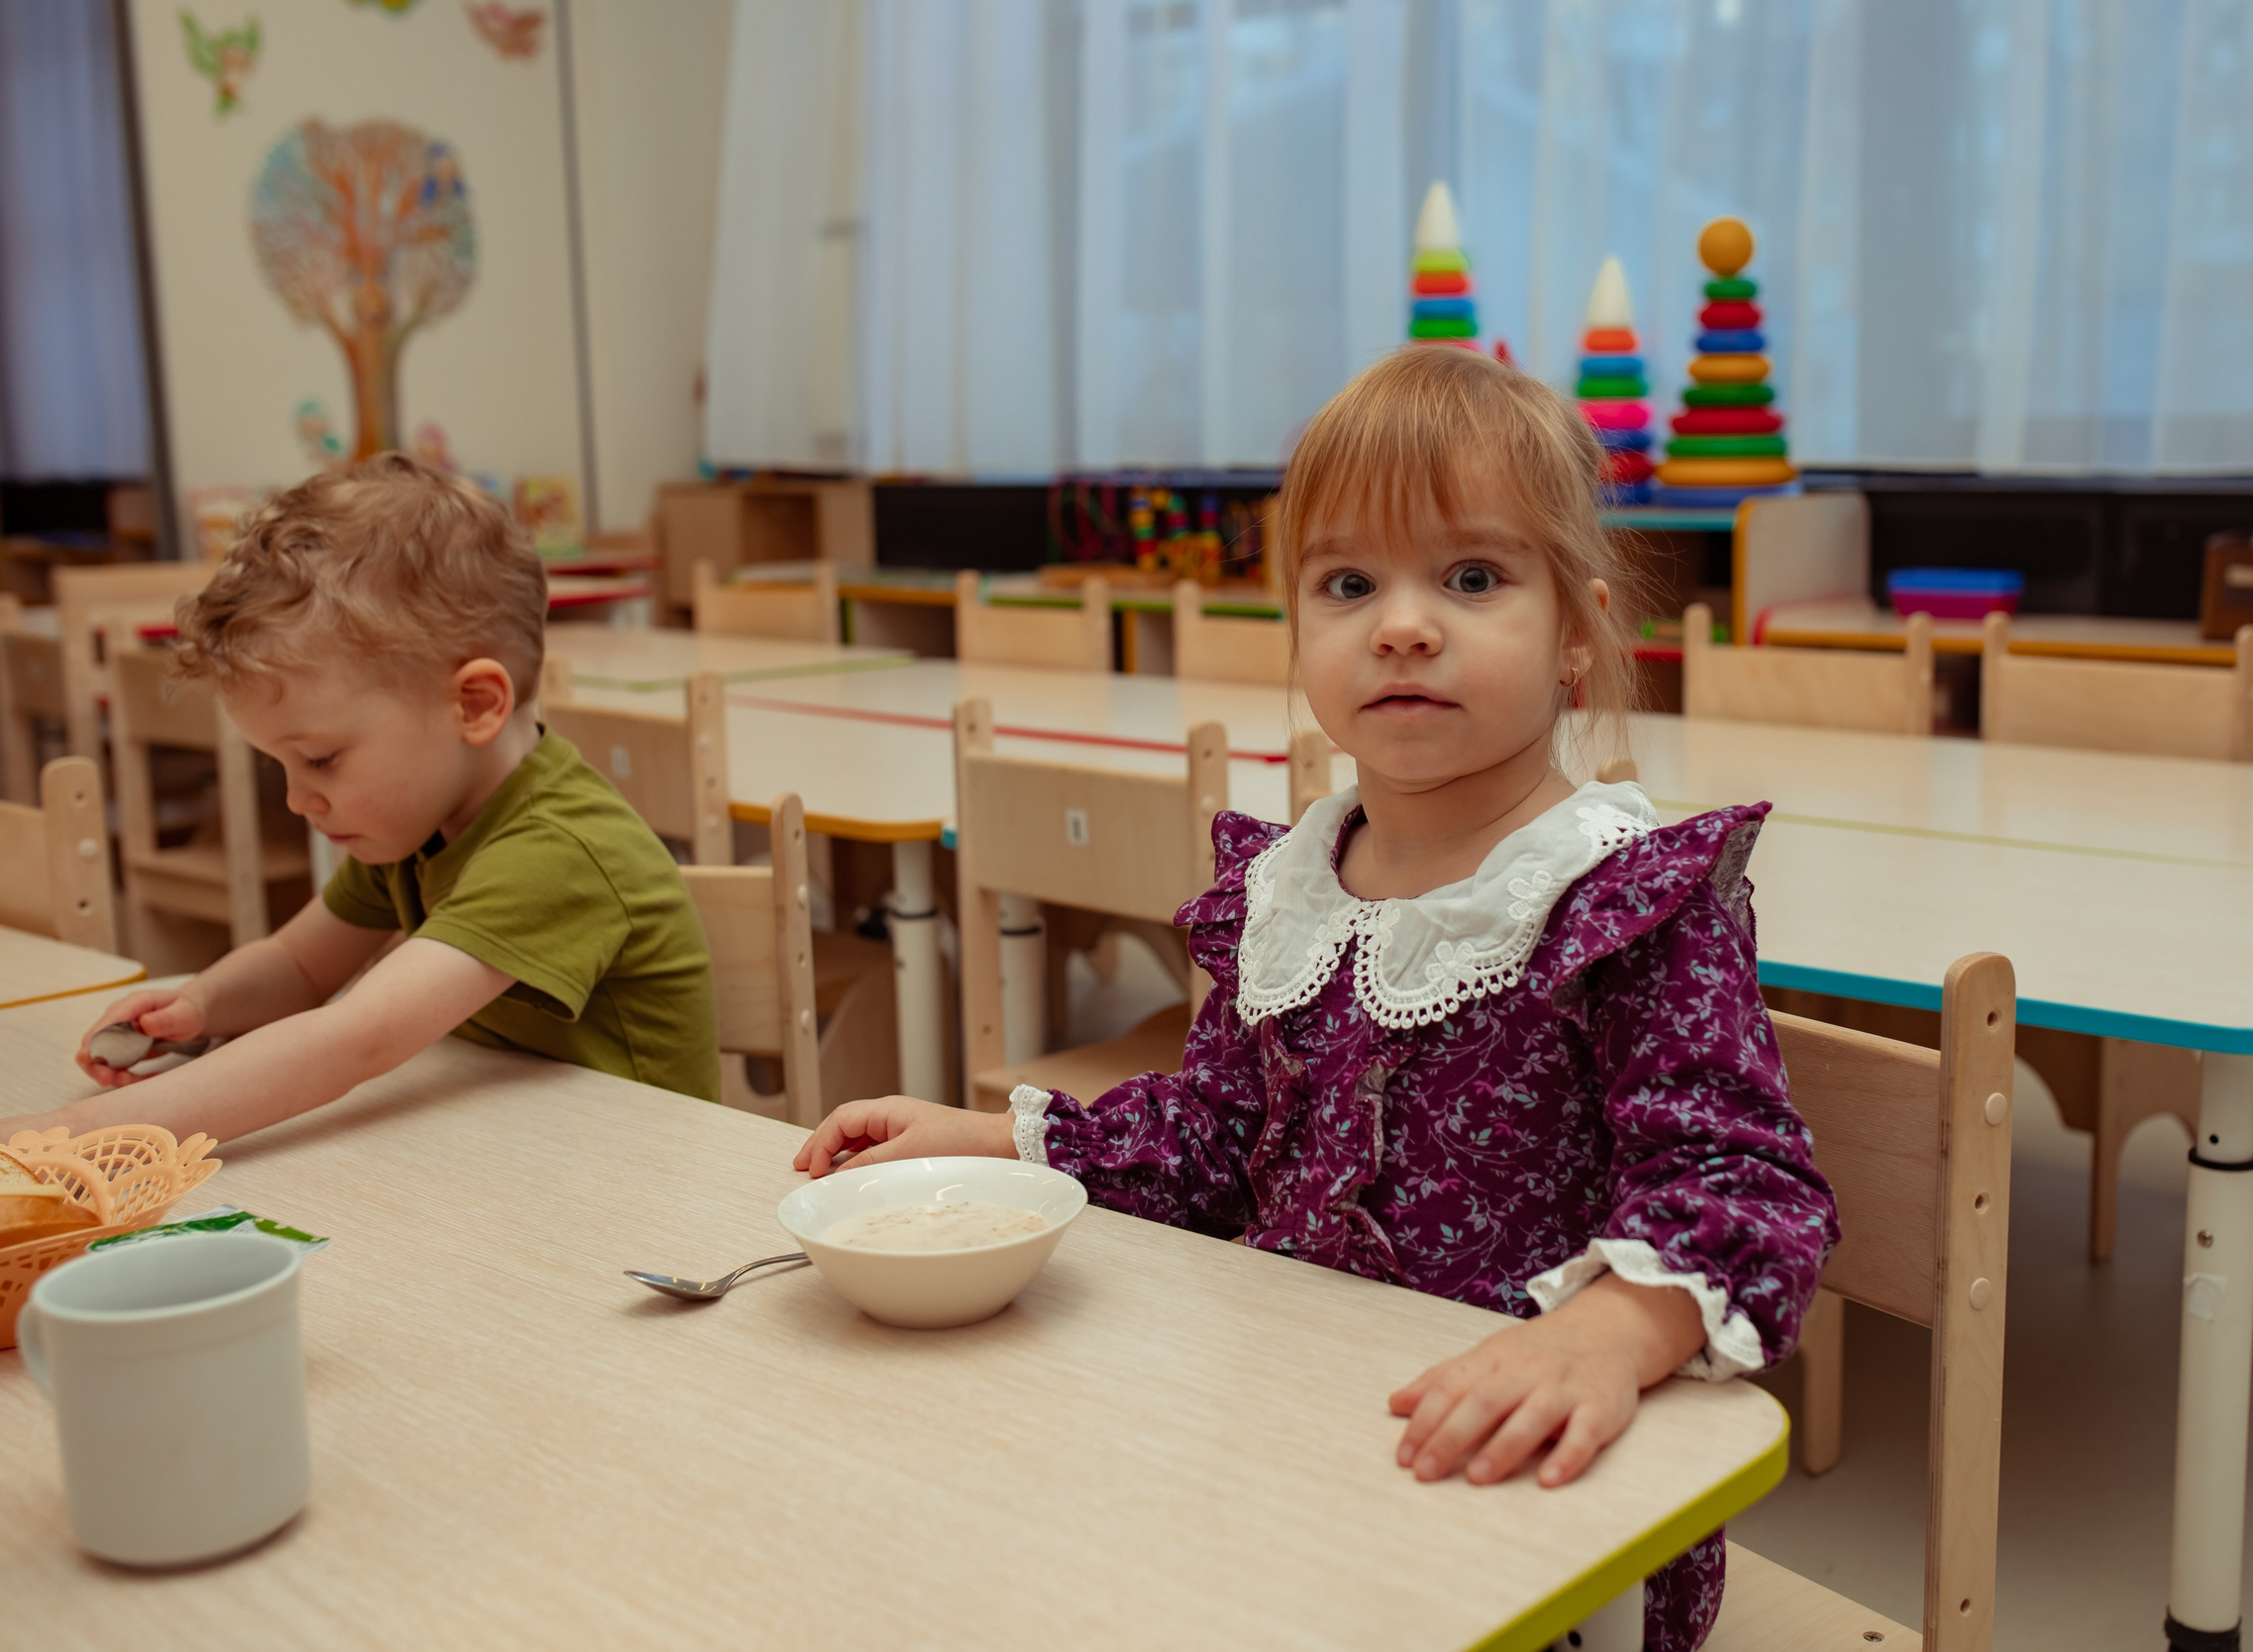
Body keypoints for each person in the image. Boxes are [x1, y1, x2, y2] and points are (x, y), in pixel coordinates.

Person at [793, 346, 1837, 1650]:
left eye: (1472, 577)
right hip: (1287, 1418)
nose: (1402, 623)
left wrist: (1615, 1329)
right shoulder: (1292, 881)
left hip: (1525, 1477)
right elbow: (1224, 1132)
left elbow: (1743, 1182)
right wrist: (1008, 1137)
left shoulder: (1625, 895)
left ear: (1578, 632)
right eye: (1349, 582)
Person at [4, 455, 719, 1148]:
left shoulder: (556, 848)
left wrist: (83, 1133)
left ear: (473, 704)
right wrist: (203, 1006)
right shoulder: (419, 822)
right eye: (280, 763)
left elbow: (353, 1039)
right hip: (517, 1153)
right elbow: (299, 964)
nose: (296, 798)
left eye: (320, 759)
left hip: (634, 1185)